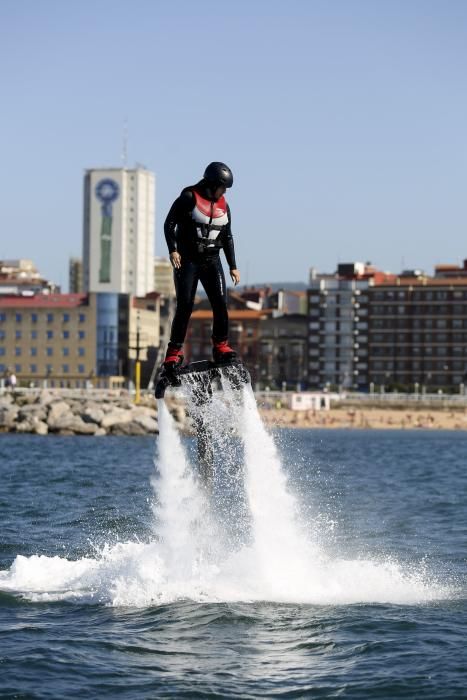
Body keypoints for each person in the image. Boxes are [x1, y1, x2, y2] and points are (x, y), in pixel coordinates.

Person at [163, 161, 241, 370]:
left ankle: (221, 346)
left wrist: (233, 265)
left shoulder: (225, 207)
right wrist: (173, 249)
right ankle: (173, 353)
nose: (224, 191)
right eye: (222, 187)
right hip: (187, 259)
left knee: (220, 303)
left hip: (212, 260)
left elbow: (227, 236)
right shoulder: (188, 198)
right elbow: (169, 224)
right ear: (211, 184)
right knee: (185, 305)